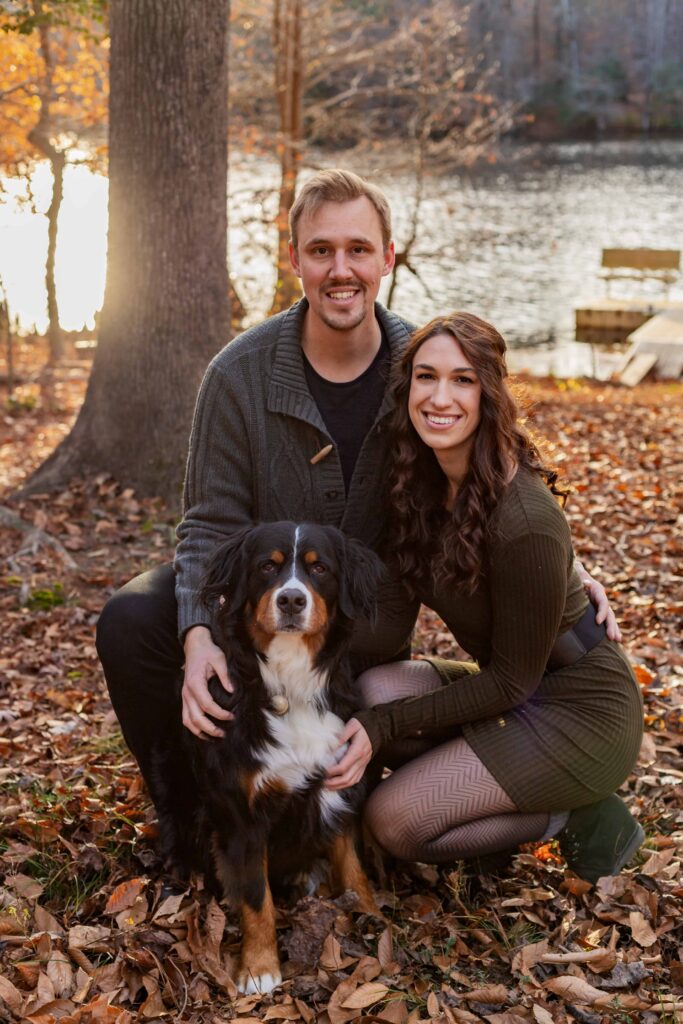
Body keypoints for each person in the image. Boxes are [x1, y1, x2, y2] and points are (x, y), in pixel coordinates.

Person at [96, 171, 616, 868]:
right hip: (264, 597)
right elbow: (208, 522)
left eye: (358, 250)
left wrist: (570, 572)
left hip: (362, 621)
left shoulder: (419, 365)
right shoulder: (238, 375)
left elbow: (493, 467)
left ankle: (498, 789)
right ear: (295, 261)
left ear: (386, 258)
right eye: (320, 251)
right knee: (133, 618)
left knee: (360, 811)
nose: (340, 270)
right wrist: (195, 633)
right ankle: (185, 821)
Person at [324, 312, 644, 884]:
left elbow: (512, 684)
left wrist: (383, 727)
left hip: (582, 711)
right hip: (517, 690)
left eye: (462, 380)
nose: (440, 397)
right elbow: (389, 620)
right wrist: (291, 630)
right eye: (426, 377)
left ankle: (564, 812)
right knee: (373, 688)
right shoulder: (416, 484)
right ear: (407, 389)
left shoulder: (524, 521)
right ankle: (504, 782)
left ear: (490, 394)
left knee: (394, 822)